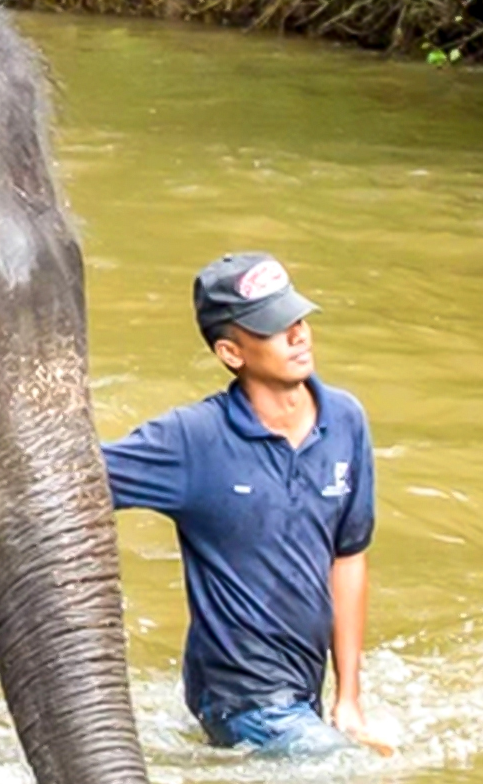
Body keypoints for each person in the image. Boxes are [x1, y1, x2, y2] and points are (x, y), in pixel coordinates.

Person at [102, 251, 375, 756]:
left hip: (301, 692)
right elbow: (69, 483)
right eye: (275, 327)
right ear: (232, 352)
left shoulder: (345, 419)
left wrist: (349, 698)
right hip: (238, 694)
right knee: (347, 776)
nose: (298, 335)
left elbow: (348, 556)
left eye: (297, 317)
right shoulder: (192, 440)